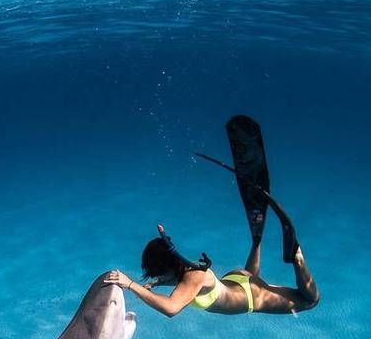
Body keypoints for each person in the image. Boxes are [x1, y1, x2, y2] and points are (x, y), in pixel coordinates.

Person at [104, 115, 320, 317]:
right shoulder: (185, 270)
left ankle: (297, 259)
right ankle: (256, 242)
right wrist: (158, 283)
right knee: (254, 276)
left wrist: (130, 284)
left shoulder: (193, 278)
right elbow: (176, 278)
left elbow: (171, 308)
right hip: (238, 280)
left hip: (250, 295)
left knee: (310, 301)